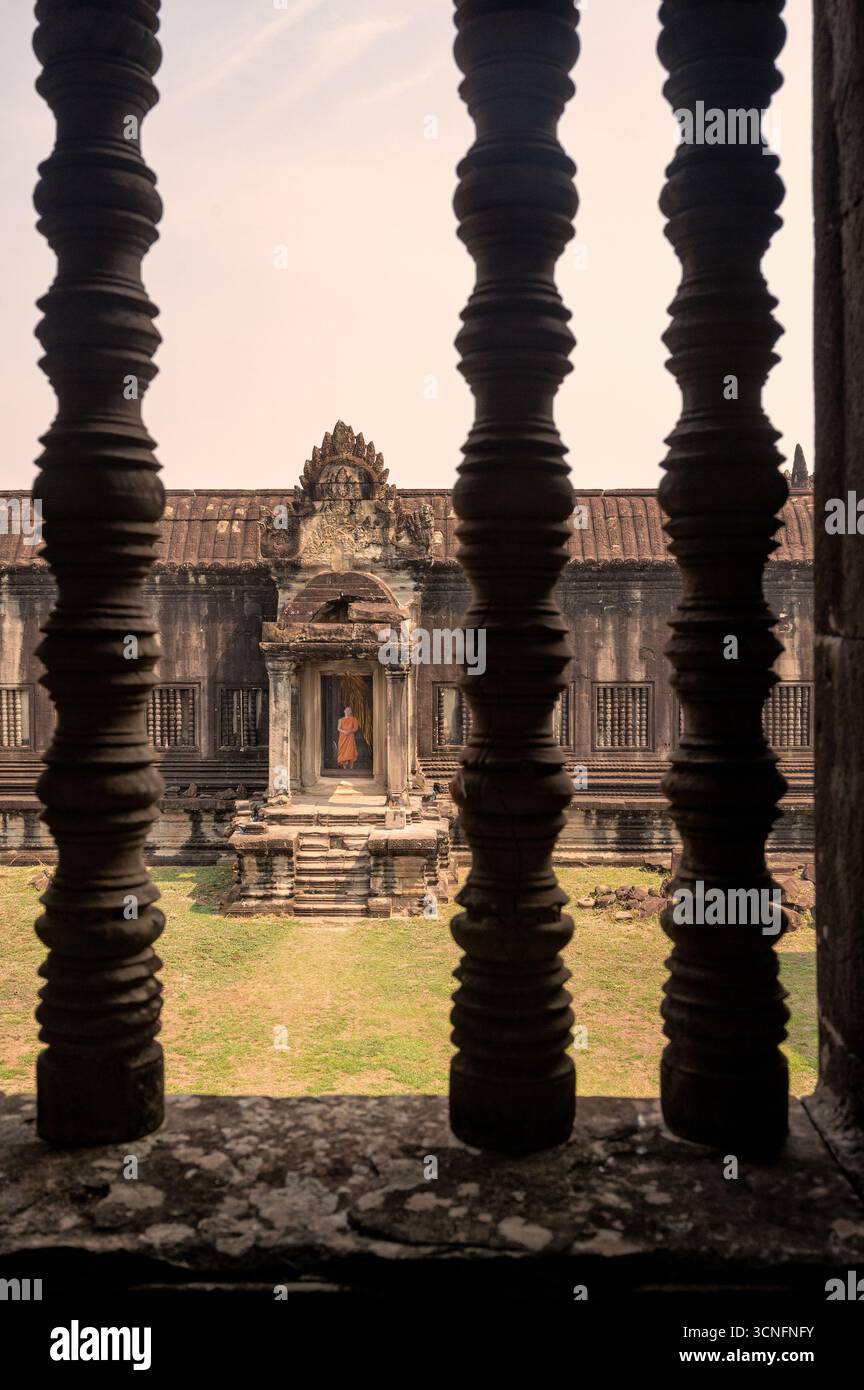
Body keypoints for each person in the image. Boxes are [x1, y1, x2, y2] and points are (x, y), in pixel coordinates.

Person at [337, 706, 360, 770]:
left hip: (350, 737)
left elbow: (355, 728)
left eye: (349, 710)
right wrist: (344, 731)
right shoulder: (340, 720)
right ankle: (344, 769)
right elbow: (338, 728)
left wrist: (349, 731)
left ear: (351, 712)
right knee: (343, 751)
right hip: (342, 737)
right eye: (346, 710)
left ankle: (351, 769)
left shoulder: (354, 719)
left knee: (350, 751)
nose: (347, 711)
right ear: (344, 711)